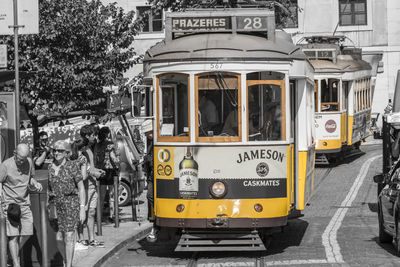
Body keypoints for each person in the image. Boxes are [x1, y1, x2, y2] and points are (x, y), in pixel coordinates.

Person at [0, 143, 43, 267]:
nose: (21, 161)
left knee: (27, 233)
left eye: (23, 159)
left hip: (24, 204)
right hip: (10, 204)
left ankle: (10, 253)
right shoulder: (6, 165)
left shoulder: (29, 162)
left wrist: (35, 182)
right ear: (14, 153)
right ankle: (16, 263)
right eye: (19, 159)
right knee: (13, 236)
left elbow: (30, 178)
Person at [48, 140, 86, 267]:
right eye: (54, 150)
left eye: (60, 150)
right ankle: (65, 260)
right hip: (56, 205)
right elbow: (49, 188)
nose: (56, 153)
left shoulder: (72, 166)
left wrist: (82, 208)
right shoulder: (50, 167)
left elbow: (81, 188)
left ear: (66, 152)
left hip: (71, 203)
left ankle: (68, 265)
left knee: (69, 236)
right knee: (59, 238)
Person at [79, 124, 104, 247]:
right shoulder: (81, 149)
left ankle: (91, 239)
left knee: (92, 212)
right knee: (83, 211)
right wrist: (95, 173)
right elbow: (84, 168)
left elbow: (90, 166)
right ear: (87, 136)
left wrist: (97, 170)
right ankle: (81, 238)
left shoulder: (89, 148)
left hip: (93, 184)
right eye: (93, 134)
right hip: (85, 186)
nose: (95, 137)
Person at [94, 127, 120, 223]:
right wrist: (118, 159)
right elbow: (114, 158)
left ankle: (99, 216)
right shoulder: (110, 144)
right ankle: (112, 215)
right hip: (110, 171)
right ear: (108, 134)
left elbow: (95, 159)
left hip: (100, 171)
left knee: (101, 196)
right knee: (112, 195)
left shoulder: (97, 145)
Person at [69, 138, 90, 250]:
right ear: (83, 148)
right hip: (79, 189)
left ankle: (76, 240)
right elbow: (84, 176)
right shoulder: (82, 158)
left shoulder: (69, 156)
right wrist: (88, 170)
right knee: (80, 215)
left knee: (71, 215)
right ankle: (78, 240)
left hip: (68, 188)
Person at [142, 120, 158, 242]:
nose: (147, 135)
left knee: (151, 196)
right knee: (150, 196)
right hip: (152, 175)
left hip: (155, 175)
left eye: (149, 132)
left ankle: (156, 222)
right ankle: (155, 221)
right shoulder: (151, 143)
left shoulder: (154, 143)